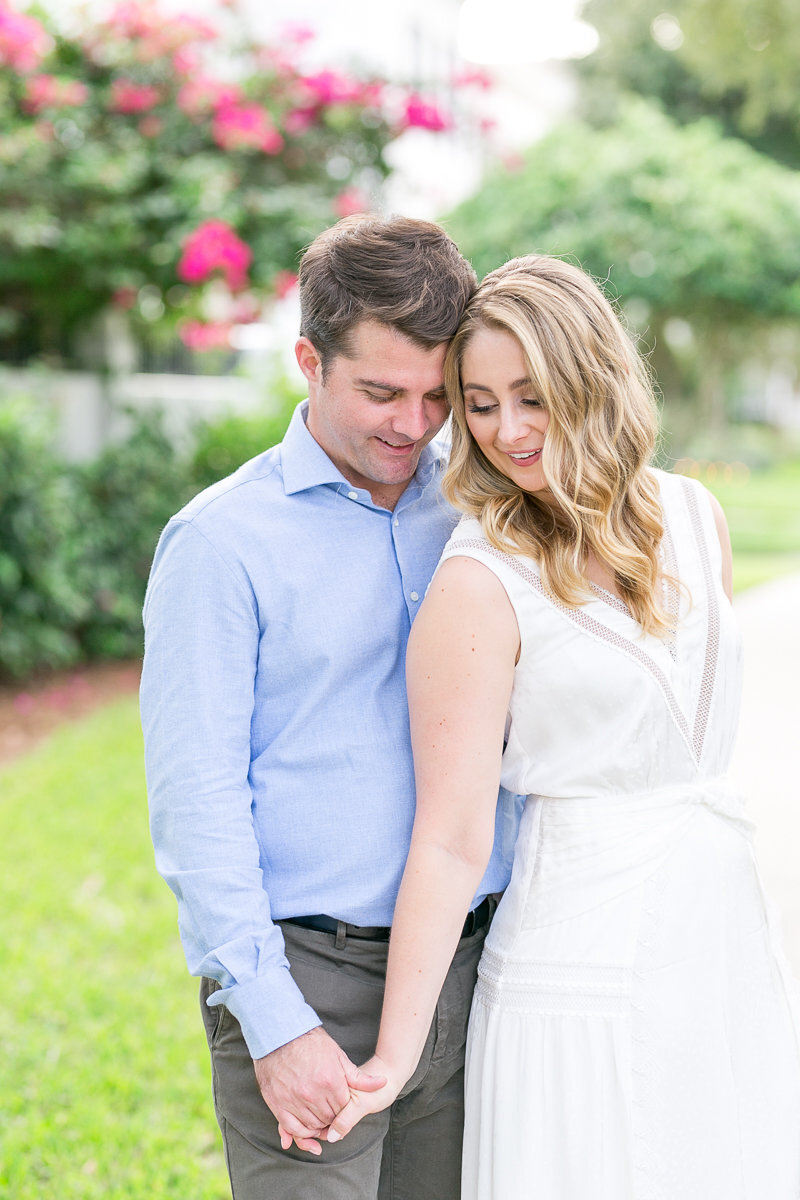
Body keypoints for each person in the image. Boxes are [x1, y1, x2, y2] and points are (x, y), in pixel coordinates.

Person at [327, 254, 800, 1197]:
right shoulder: (479, 580)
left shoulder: (697, 517)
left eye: (532, 397)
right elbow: (451, 838)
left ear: (594, 378)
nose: (506, 431)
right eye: (481, 404)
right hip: (574, 973)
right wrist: (394, 1056)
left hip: (718, 945)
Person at [139, 214, 521, 1200]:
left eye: (437, 396)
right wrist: (275, 1024)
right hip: (312, 979)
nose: (413, 423)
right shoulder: (220, 543)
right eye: (381, 392)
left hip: (478, 969)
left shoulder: (480, 509)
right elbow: (196, 801)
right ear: (309, 361)